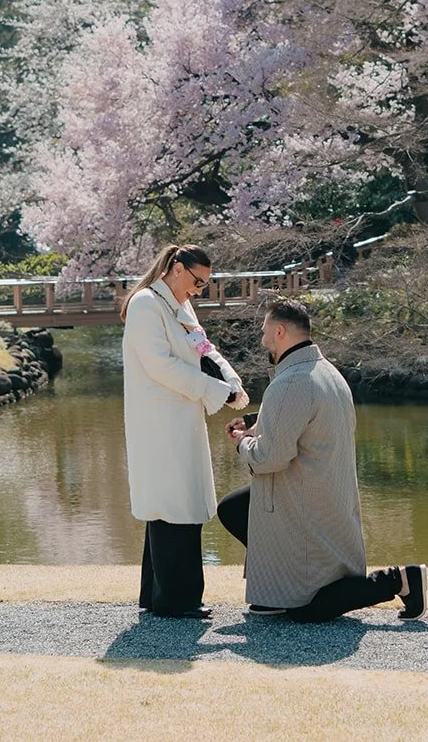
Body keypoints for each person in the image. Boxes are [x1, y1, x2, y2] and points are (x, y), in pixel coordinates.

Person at [217, 297, 426, 623]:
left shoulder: (289, 382)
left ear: (281, 332)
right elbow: (304, 417)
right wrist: (256, 421)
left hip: (304, 504)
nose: (262, 340)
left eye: (264, 333)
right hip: (328, 494)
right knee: (233, 508)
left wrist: (244, 443)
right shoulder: (327, 373)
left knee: (309, 610)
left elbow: (271, 458)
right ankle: (278, 580)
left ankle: (400, 580)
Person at [121, 243, 248, 619]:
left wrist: (230, 380)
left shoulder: (179, 304)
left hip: (181, 419)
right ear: (177, 269)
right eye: (197, 281)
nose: (199, 289)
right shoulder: (146, 304)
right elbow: (160, 366)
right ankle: (176, 599)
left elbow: (203, 348)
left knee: (178, 503)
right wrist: (214, 390)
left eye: (204, 285)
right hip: (160, 424)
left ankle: (159, 594)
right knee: (171, 506)